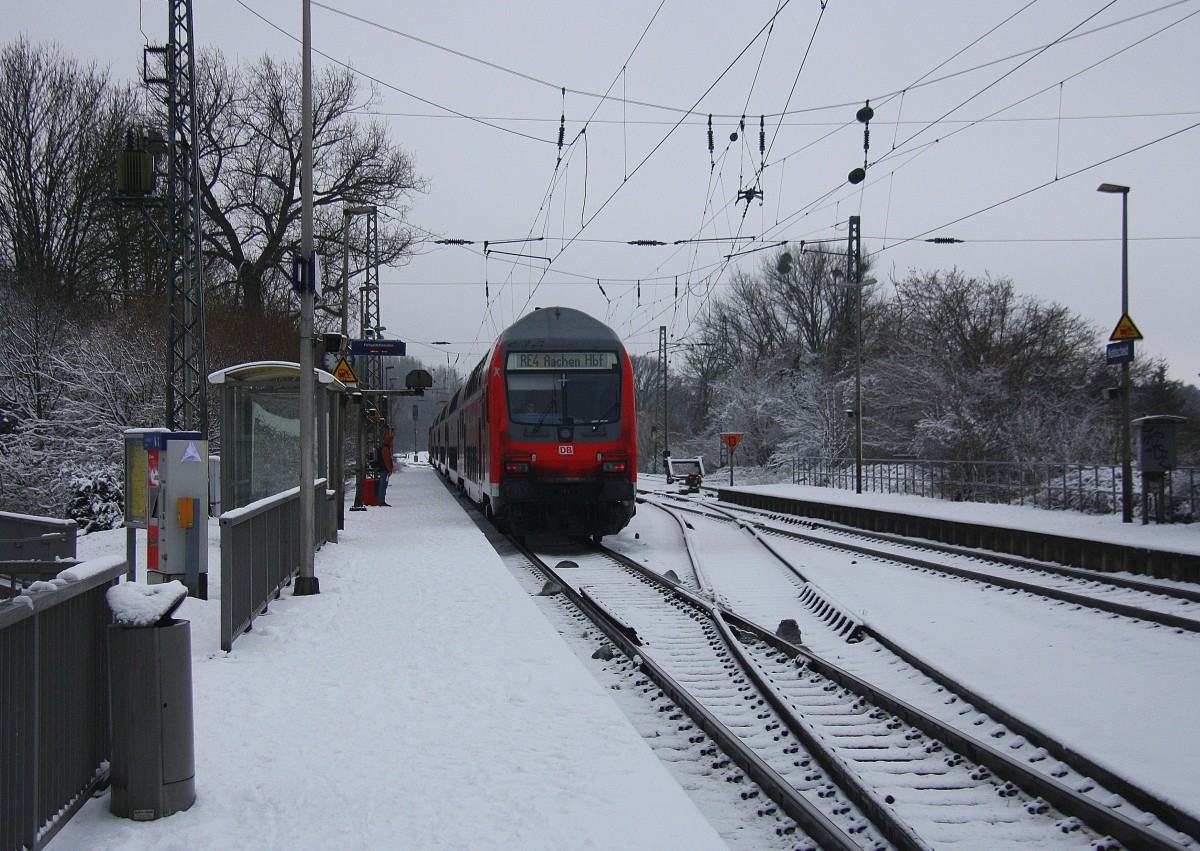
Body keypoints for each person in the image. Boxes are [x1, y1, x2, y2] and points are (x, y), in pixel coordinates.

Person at [377, 429, 395, 506]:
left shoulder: (384, 448)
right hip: (384, 470)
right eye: (390, 441)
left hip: (383, 469)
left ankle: (381, 500)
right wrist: (389, 470)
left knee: (383, 485)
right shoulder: (385, 449)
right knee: (383, 485)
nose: (391, 443)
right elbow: (387, 460)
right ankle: (381, 501)